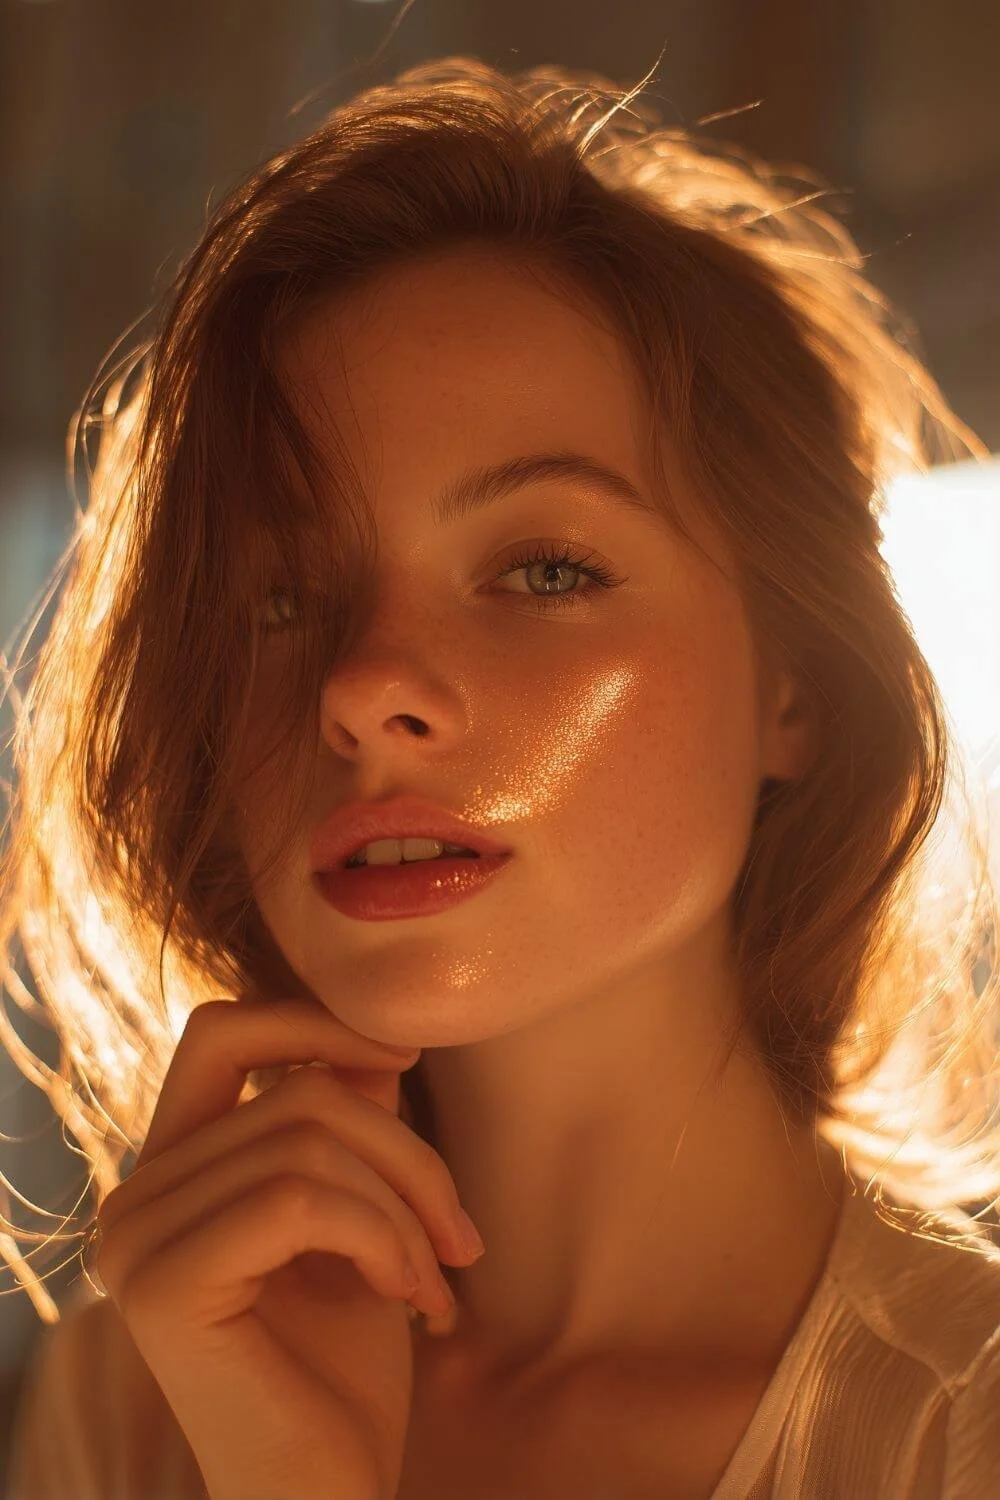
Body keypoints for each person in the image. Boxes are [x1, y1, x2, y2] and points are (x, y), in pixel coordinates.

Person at [2, 54, 999, 1500]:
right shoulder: (139, 1395)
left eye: (544, 568)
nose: (362, 685)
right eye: (283, 597)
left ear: (795, 687)